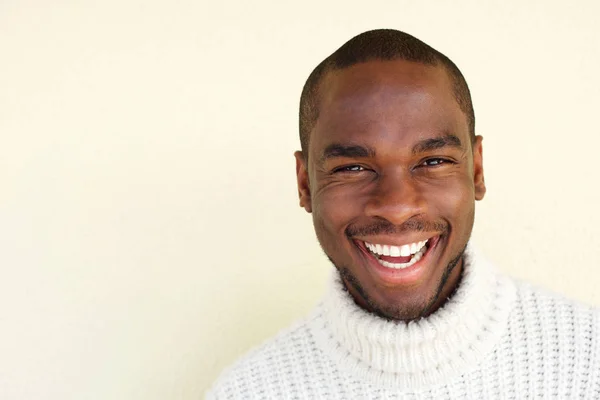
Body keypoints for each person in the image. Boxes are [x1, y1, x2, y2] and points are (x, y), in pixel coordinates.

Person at [206, 29, 600, 399]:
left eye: (432, 161)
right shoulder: (247, 392)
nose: (396, 209)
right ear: (304, 184)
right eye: (352, 168)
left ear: (476, 171)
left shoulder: (587, 364)